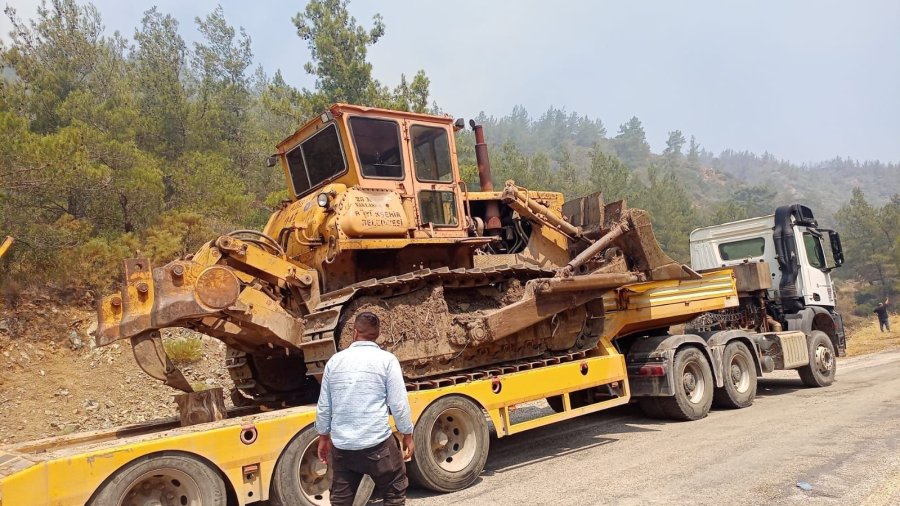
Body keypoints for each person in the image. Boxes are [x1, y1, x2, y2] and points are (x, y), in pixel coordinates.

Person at [315, 312, 415, 506]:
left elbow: (324, 405)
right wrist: (407, 435)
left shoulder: (334, 361)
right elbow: (399, 403)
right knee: (394, 492)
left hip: (343, 448)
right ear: (377, 335)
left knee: (340, 501)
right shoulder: (387, 360)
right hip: (377, 446)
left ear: (354, 333)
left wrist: (323, 437)